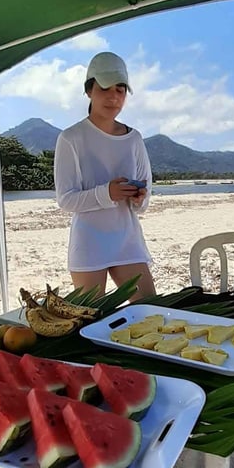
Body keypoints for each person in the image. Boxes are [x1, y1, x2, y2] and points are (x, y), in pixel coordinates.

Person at [54, 52, 156, 302]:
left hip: (128, 240)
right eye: (105, 89)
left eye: (120, 90)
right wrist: (106, 193)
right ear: (89, 91)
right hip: (88, 243)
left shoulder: (134, 139)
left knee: (150, 310)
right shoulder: (71, 138)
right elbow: (65, 199)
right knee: (91, 322)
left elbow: (144, 201)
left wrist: (139, 197)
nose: (113, 97)